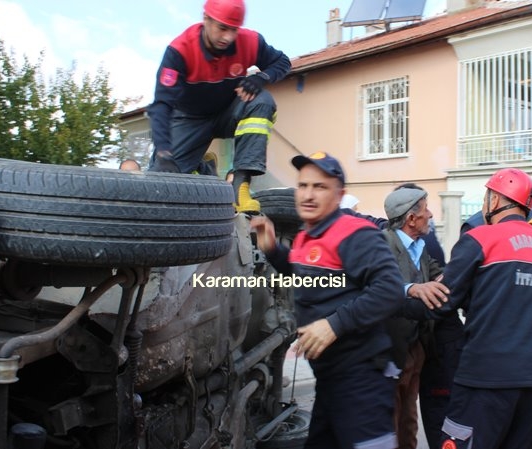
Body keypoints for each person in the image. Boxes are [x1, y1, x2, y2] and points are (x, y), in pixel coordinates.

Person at [251, 151, 404, 449]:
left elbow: (390, 290)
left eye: (319, 187)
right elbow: (307, 276)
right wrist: (273, 250)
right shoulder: (309, 236)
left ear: (339, 195)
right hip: (331, 379)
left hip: (362, 382)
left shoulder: (355, 234)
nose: (308, 195)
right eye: (303, 186)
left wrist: (334, 325)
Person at [403, 168, 532, 449]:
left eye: (487, 196)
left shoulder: (481, 238)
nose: (484, 203)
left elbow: (442, 300)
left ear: (496, 200)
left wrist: (392, 302)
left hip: (488, 376)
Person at [147, 0, 291, 213]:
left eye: (234, 30)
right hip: (189, 118)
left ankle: (240, 185)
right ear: (206, 19)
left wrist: (261, 77)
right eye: (222, 28)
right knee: (159, 184)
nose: (228, 37)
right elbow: (161, 105)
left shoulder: (250, 42)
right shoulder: (180, 51)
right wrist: (163, 152)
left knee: (262, 101)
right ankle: (203, 168)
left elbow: (282, 62)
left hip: (228, 111)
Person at [381, 188, 450, 449]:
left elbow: (438, 274)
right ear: (411, 218)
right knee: (389, 422)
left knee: (409, 422)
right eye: (425, 210)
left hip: (415, 348)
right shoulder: (382, 244)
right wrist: (411, 288)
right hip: (390, 351)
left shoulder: (421, 247)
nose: (430, 215)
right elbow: (376, 287)